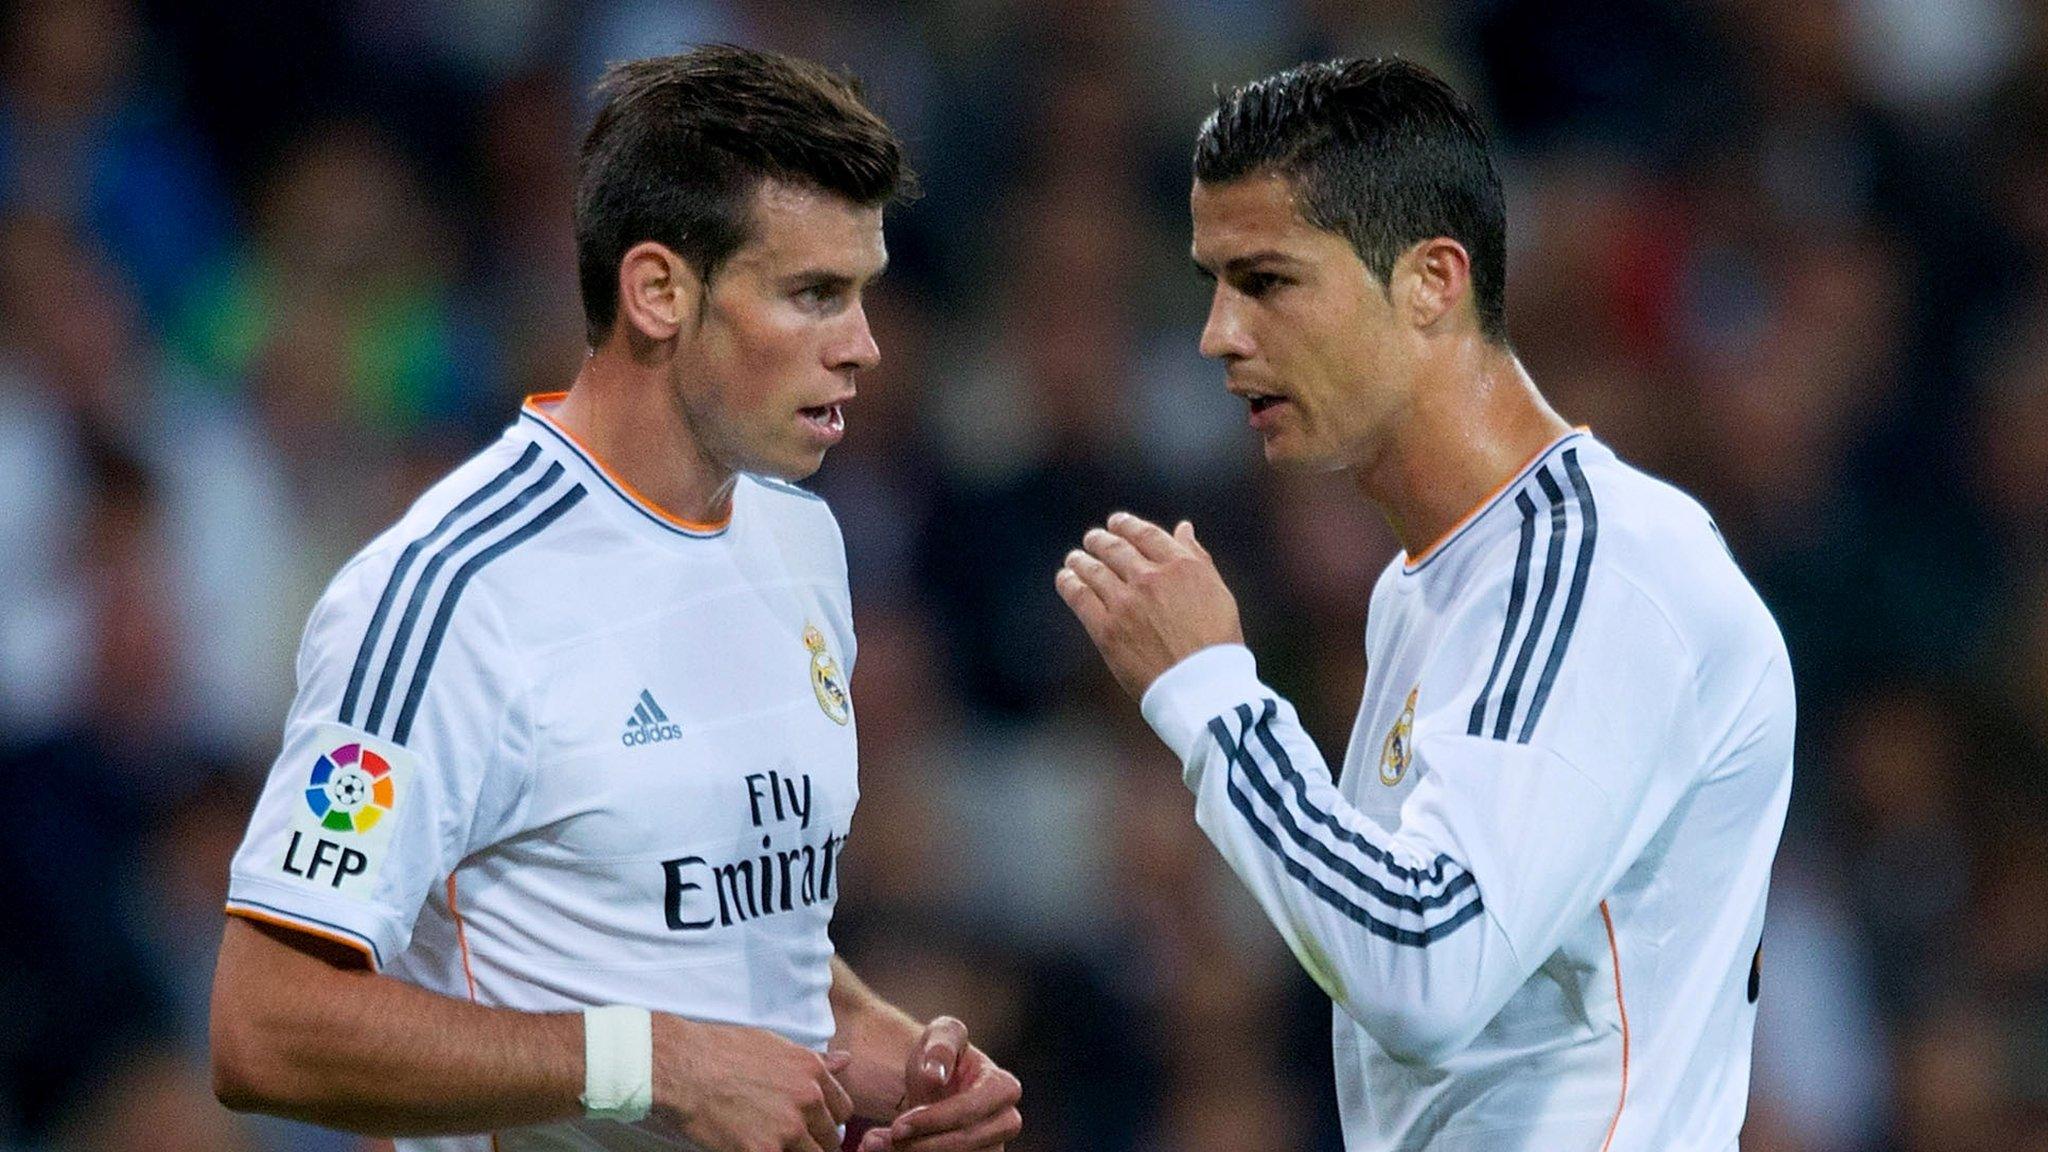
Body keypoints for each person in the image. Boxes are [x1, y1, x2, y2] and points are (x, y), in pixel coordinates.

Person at [209, 45, 1021, 1152]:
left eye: (862, 293)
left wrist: (881, 1049)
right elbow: (265, 1027)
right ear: (656, 292)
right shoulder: (450, 596)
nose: (864, 347)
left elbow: (697, 910)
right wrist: (657, 1066)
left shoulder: (797, 535)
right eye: (812, 296)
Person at [1056, 58, 1792, 1151]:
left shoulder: (1593, 576)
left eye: (1265, 281)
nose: (1217, 333)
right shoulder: (1429, 584)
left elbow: (1426, 966)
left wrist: (1210, 694)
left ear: (1431, 282)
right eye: (1212, 282)